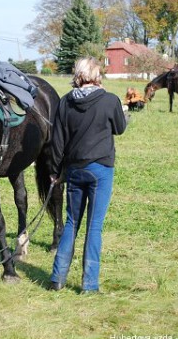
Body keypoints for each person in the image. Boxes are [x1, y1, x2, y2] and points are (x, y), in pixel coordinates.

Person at [48, 56, 128, 294]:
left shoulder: (65, 102)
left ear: (78, 75)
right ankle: (89, 285)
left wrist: (55, 172)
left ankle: (57, 279)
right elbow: (120, 128)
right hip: (101, 169)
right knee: (94, 227)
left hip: (73, 170)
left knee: (72, 223)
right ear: (96, 76)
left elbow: (57, 141)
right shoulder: (110, 100)